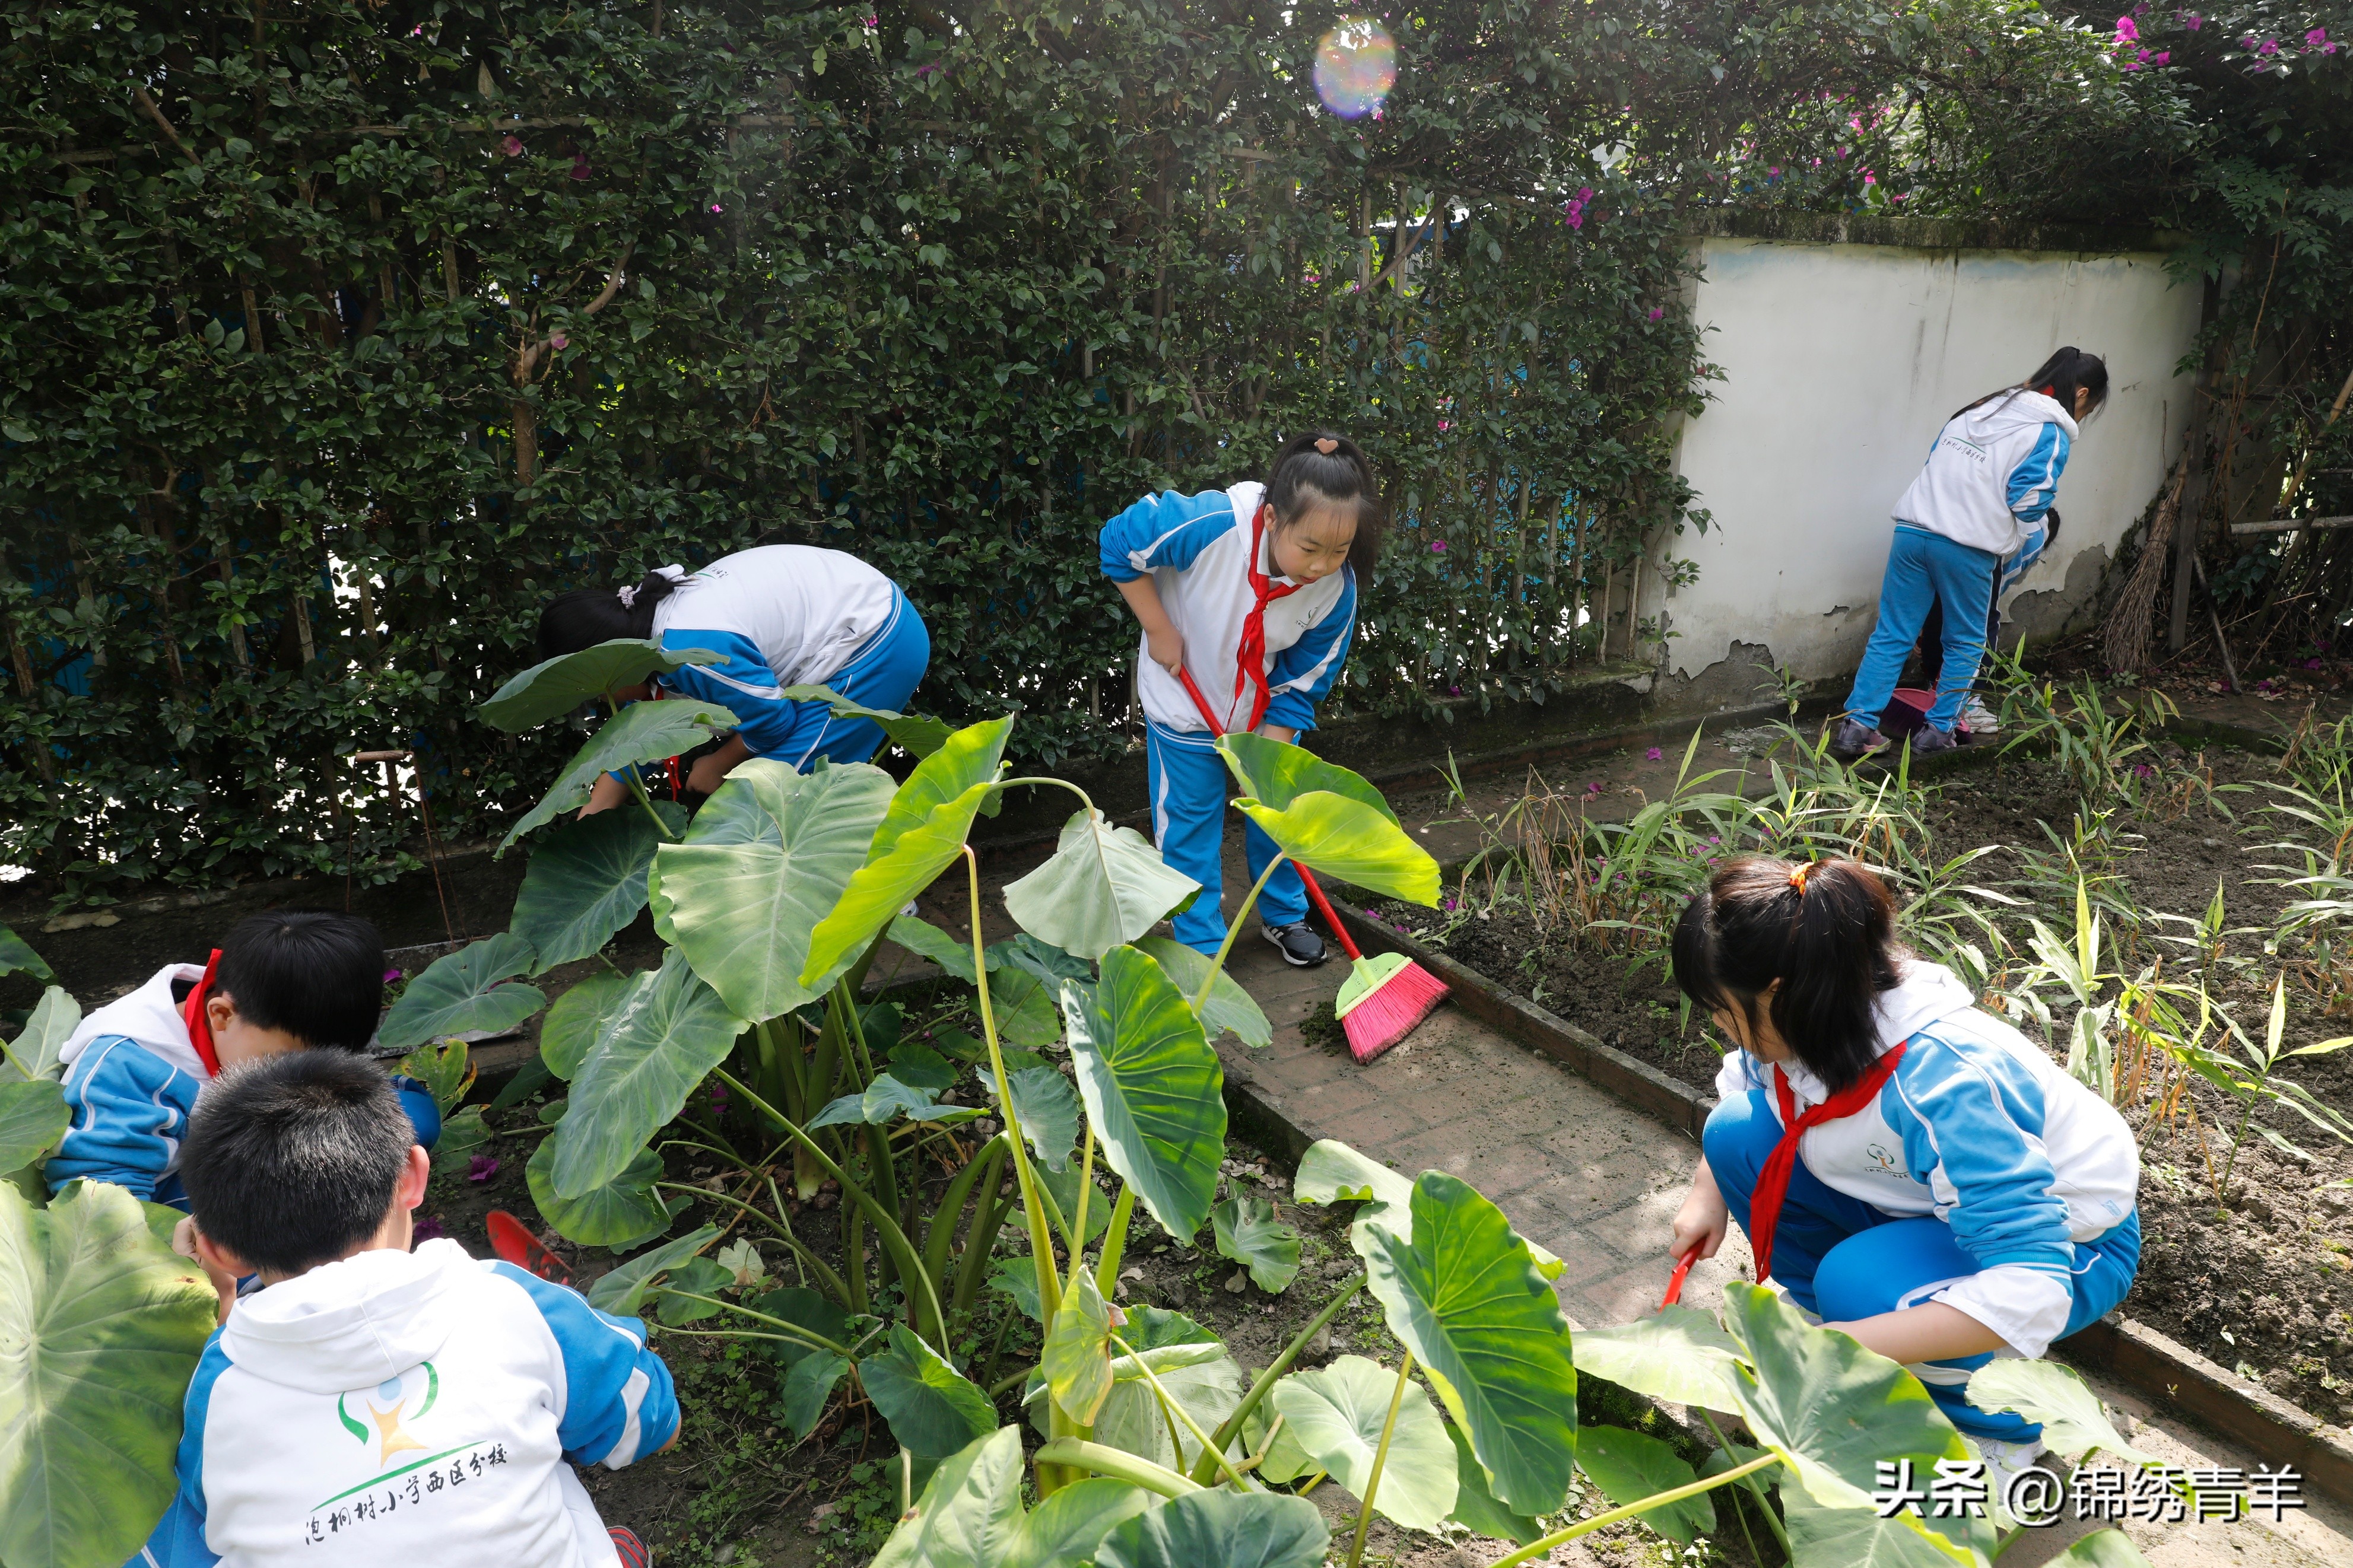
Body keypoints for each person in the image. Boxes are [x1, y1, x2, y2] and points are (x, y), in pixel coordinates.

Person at [1667, 857, 2141, 1482]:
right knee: (1734, 1136)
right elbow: (1742, 1093)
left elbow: (2029, 1284)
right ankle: (1838, 1332)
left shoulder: (1946, 1084)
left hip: (2067, 1247)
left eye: (1722, 1009)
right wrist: (1707, 1196)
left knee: (1859, 1280)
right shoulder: (1813, 1017)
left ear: (1777, 992)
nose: (1719, 1025)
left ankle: (1997, 1432)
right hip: (1923, 1204)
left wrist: (1856, 1344)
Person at [135, 1051, 677, 1568]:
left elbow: (194, 1536)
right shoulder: (506, 1300)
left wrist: (218, 1307)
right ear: (414, 1176)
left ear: (217, 1249)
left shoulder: (215, 1389)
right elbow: (652, 1423)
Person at [1100, 432, 1383, 964]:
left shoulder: (1335, 591)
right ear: (1273, 518)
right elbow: (1119, 543)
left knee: (1277, 812)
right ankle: (1201, 946)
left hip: (1263, 708)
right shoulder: (1210, 525)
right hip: (1184, 702)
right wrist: (1158, 629)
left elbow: (1305, 678)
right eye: (1310, 548)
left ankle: (1283, 915)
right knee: (1189, 824)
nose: (1322, 565)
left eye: (1339, 550)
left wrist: (1268, 751)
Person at [50, 910, 440, 1210]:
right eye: (287, 1062)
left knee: (414, 1116)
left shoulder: (260, 1010)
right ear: (220, 1015)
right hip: (189, 1220)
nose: (303, 1078)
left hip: (265, 1157)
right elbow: (103, 1206)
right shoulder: (129, 1065)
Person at [1837, 348, 2107, 759]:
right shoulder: (2048, 432)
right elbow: (2030, 501)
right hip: (1965, 547)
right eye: (2089, 405)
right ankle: (1939, 732)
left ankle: (1856, 727)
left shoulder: (1977, 410)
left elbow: (1933, 462)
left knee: (1892, 633)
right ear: (2082, 393)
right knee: (1965, 642)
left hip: (1912, 530)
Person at [536, 544, 931, 812]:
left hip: (873, 641)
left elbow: (774, 723)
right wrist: (591, 816)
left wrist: (721, 761)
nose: (603, 699)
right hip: (842, 628)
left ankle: (884, 910)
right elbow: (640, 745)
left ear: (604, 662)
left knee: (785, 799)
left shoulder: (692, 654)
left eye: (592, 687)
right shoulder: (640, 631)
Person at [1915, 509, 2059, 737]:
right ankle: (1970, 704)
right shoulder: (2036, 534)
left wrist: (1923, 627)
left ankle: (1937, 693)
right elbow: (1996, 586)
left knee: (1942, 609)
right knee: (1983, 622)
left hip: (1936, 536)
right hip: (1979, 549)